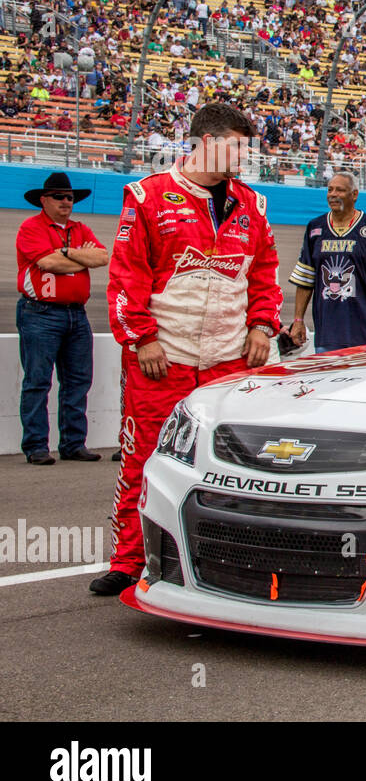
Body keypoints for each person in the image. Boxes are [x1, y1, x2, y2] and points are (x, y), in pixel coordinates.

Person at [95, 103, 281, 596]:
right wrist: (142, 338)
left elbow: (263, 275)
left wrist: (262, 327)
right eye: (237, 145)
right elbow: (126, 274)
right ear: (205, 141)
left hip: (229, 360)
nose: (244, 155)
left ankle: (225, 561)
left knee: (232, 469)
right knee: (145, 460)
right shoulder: (148, 196)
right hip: (163, 357)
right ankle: (128, 560)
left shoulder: (252, 205)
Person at [15, 172, 108, 465]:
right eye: (59, 197)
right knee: (38, 381)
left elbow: (102, 258)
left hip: (75, 314)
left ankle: (72, 443)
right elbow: (47, 262)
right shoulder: (31, 228)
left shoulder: (80, 228)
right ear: (43, 200)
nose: (66, 201)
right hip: (40, 313)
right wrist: (80, 255)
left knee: (78, 381)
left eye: (69, 197)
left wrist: (67, 251)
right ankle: (36, 446)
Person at [288, 172, 366, 352]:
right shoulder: (315, 228)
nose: (332, 194)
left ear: (354, 194)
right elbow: (305, 280)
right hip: (327, 334)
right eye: (330, 189)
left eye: (339, 190)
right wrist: (298, 321)